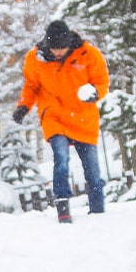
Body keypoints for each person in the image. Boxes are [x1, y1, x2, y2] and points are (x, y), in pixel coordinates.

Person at [13, 19, 110, 223]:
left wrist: (95, 93)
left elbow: (101, 81)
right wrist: (23, 106)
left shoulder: (88, 54)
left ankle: (97, 208)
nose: (58, 53)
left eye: (62, 48)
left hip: (83, 116)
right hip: (54, 115)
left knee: (92, 167)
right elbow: (32, 86)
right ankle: (62, 204)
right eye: (54, 49)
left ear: (69, 42)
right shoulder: (35, 58)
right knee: (61, 158)